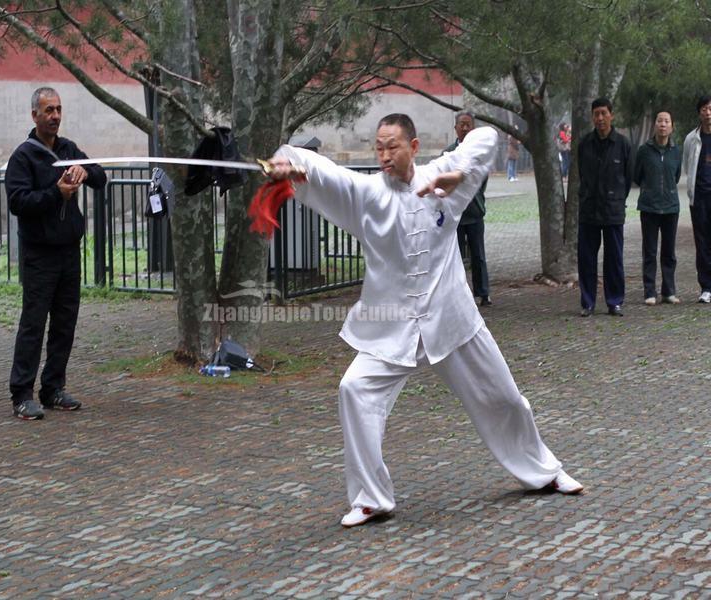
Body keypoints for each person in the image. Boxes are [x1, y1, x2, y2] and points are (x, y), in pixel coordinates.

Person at [266, 113, 583, 528]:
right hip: (394, 326)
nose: (384, 155)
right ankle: (371, 498)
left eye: (392, 146)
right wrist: (293, 164)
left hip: (451, 319)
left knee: (503, 397)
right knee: (354, 389)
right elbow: (326, 175)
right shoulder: (366, 194)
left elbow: (486, 137)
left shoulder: (442, 181)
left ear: (413, 147)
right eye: (378, 147)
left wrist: (458, 172)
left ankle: (544, 472)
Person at [5, 87, 107, 420]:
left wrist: (84, 171)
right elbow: (19, 202)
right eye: (49, 110)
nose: (55, 116)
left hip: (69, 253)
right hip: (39, 255)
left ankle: (53, 389)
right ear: (34, 114)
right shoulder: (23, 157)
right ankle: (22, 394)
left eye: (59, 109)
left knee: (65, 324)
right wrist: (56, 193)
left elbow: (101, 177)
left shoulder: (68, 148)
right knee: (33, 325)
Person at [576, 98, 633, 317]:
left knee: (614, 259)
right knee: (587, 258)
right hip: (589, 209)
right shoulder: (584, 144)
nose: (600, 118)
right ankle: (588, 302)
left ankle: (615, 301)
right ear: (592, 117)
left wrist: (616, 198)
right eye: (596, 114)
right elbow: (582, 174)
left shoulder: (623, 144)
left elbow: (627, 179)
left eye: (604, 113)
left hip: (613, 210)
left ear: (611, 115)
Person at [633, 111, 682, 306]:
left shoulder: (676, 151)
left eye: (667, 121)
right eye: (660, 121)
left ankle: (668, 291)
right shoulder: (644, 150)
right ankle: (649, 291)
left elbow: (676, 176)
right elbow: (637, 175)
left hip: (671, 207)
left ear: (672, 126)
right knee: (650, 251)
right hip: (649, 207)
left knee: (669, 252)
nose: (663, 124)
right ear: (655, 125)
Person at [446, 112, 491, 306]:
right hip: (455, 215)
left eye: (468, 125)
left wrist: (477, 199)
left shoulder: (479, 154)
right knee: (453, 258)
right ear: (455, 127)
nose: (465, 128)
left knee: (478, 255)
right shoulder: (448, 154)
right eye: (461, 124)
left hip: (474, 213)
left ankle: (483, 292)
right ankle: (457, 295)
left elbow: (483, 180)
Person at [683, 94, 711, 304]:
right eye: (704, 109)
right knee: (701, 243)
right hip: (699, 198)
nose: (708, 113)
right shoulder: (691, 139)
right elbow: (687, 165)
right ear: (699, 112)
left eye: (710, 108)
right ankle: (706, 287)